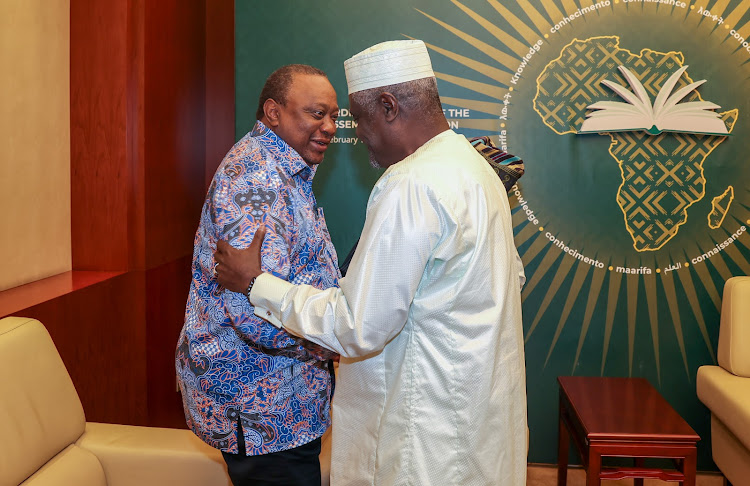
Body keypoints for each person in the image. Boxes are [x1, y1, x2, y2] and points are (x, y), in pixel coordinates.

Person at [215, 40, 527, 486]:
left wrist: (256, 283)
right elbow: (509, 277)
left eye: (355, 119)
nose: (353, 134)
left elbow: (357, 325)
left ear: (388, 106)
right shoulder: (473, 167)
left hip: (424, 436)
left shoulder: (411, 183)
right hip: (468, 415)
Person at [175, 64, 341, 486]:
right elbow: (251, 312)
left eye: (334, 116)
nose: (329, 127)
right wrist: (335, 340)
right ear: (273, 112)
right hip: (261, 410)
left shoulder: (285, 170)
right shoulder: (256, 182)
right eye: (316, 113)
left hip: (286, 400)